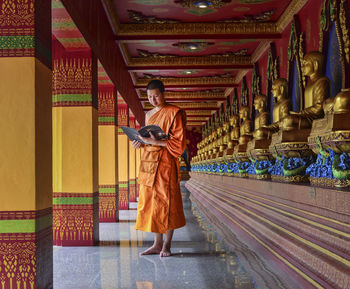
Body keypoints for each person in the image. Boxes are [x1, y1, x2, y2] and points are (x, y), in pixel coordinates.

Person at [131, 79, 186, 257]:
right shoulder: (148, 115)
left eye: (156, 96)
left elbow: (178, 144)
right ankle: (156, 244)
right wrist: (140, 143)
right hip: (148, 164)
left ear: (163, 94)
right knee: (153, 203)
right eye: (149, 97)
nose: (153, 100)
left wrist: (154, 142)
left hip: (165, 163)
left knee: (167, 203)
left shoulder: (174, 112)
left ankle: (167, 245)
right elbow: (146, 138)